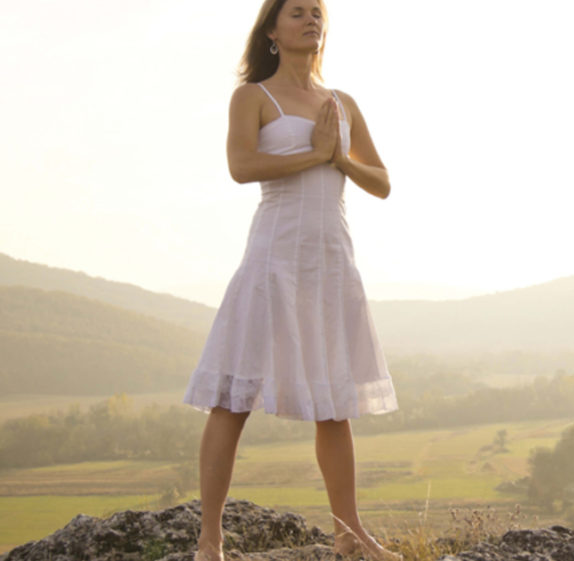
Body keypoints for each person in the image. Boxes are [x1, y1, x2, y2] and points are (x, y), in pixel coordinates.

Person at [181, 0, 400, 559]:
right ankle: (210, 538)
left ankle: (349, 533)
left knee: (335, 402)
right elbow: (242, 166)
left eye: (316, 12)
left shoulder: (342, 102)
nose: (311, 19)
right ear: (272, 31)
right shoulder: (253, 96)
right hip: (272, 260)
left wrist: (339, 159)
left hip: (329, 263)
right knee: (232, 397)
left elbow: (382, 181)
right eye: (296, 11)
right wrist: (313, 156)